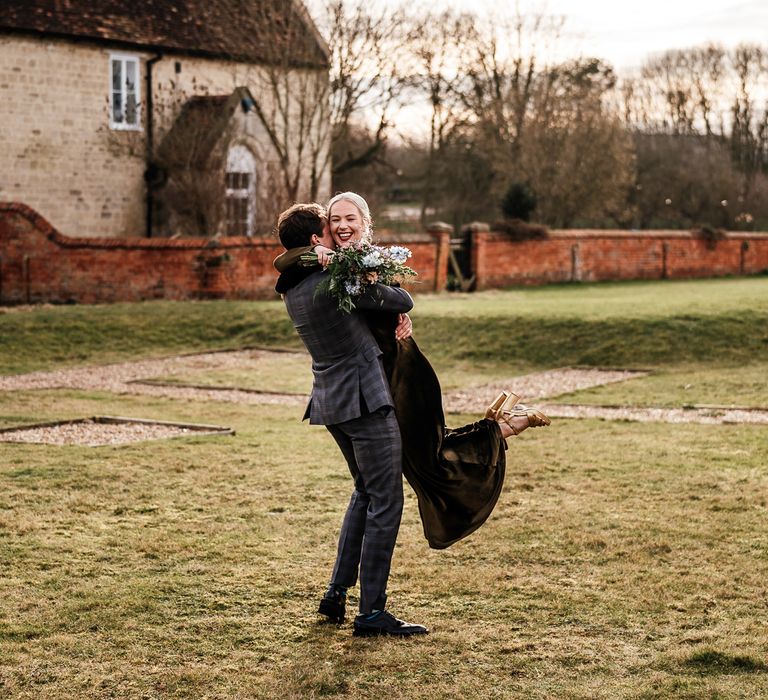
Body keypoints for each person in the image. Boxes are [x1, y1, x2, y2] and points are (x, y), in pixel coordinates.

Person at [275, 193, 550, 555]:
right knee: (420, 463)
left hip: (402, 374)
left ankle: (503, 427)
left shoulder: (359, 264)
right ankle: (502, 427)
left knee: (426, 455)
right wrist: (322, 256)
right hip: (373, 382)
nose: (341, 226)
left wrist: (396, 310)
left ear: (365, 223)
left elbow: (395, 300)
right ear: (320, 234)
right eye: (334, 220)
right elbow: (288, 259)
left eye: (350, 219)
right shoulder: (326, 266)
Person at [276, 202, 429, 638]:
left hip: (331, 401)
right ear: (315, 241)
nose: (337, 231)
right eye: (330, 226)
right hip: (364, 400)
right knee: (386, 500)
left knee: (364, 492)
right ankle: (371, 613)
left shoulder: (292, 285)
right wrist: (359, 272)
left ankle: (336, 594)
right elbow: (404, 297)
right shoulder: (332, 278)